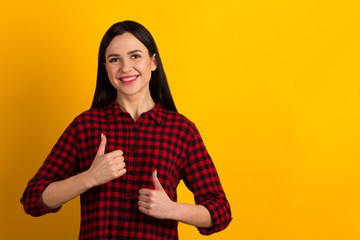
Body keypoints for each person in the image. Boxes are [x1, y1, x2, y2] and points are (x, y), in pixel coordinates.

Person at [21, 20, 232, 239]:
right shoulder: (85, 125)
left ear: (153, 62)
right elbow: (33, 198)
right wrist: (89, 178)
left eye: (135, 56)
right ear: (105, 68)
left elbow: (220, 212)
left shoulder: (181, 130)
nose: (125, 68)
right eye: (114, 60)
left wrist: (172, 209)